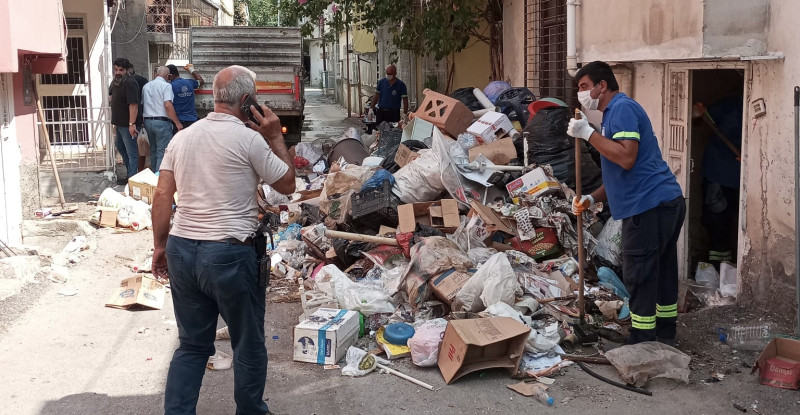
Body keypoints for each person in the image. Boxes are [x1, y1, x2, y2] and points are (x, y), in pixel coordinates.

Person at [151, 65, 295, 415]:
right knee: (247, 343)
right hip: (229, 254)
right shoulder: (249, 139)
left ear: (214, 96)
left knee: (191, 346)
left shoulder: (181, 139)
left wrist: (159, 246)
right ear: (247, 101)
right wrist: (275, 136)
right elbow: (288, 185)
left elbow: (161, 196)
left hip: (183, 250)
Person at [567, 61, 685, 345]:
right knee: (661, 271)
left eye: (584, 87)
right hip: (664, 202)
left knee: (641, 273)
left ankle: (642, 340)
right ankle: (664, 334)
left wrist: (588, 134)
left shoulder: (621, 109)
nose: (581, 94)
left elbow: (626, 157)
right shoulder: (611, 115)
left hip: (649, 206)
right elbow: (620, 172)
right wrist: (591, 198)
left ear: (602, 85)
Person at [693, 96, 743, 267]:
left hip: (739, 178)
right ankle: (718, 266)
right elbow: (699, 119)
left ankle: (729, 264)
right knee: (717, 219)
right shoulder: (727, 106)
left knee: (735, 220)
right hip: (716, 174)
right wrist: (697, 113)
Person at [142, 66, 182, 172]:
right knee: (162, 152)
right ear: (168, 76)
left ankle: (153, 176)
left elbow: (143, 104)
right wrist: (177, 123)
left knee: (153, 151)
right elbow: (168, 104)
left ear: (156, 74)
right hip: (162, 122)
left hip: (147, 121)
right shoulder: (166, 86)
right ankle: (158, 179)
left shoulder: (146, 86)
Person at [108, 57, 139, 184]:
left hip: (128, 125)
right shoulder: (116, 82)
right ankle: (130, 175)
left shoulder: (130, 82)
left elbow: (134, 105)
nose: (118, 72)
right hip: (119, 124)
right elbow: (111, 96)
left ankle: (133, 180)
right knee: (120, 146)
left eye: (121, 70)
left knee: (132, 153)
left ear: (127, 70)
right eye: (116, 69)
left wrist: (132, 124)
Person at [166, 63, 205, 133]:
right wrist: (191, 69)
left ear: (170, 76)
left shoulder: (169, 87)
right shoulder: (189, 82)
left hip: (179, 122)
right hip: (193, 120)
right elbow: (201, 81)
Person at [126, 62, 149, 172]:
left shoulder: (125, 81)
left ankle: (134, 171)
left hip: (131, 118)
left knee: (134, 147)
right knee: (140, 146)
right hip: (139, 117)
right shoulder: (143, 81)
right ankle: (139, 170)